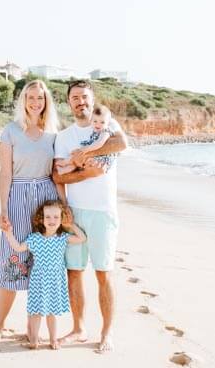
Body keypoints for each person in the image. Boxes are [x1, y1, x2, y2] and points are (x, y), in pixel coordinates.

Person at [52, 80, 128, 353]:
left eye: (85, 97)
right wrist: (65, 206)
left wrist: (86, 152)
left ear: (92, 100)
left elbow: (121, 144)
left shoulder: (109, 126)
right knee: (74, 272)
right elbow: (57, 175)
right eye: (75, 98)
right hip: (75, 210)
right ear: (69, 102)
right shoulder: (63, 137)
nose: (80, 102)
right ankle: (79, 328)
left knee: (104, 273)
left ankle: (106, 333)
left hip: (103, 211)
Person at [0, 79, 63, 343]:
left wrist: (64, 207)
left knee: (44, 264)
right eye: (30, 97)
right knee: (12, 258)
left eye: (40, 98)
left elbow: (58, 173)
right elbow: (5, 172)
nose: (35, 102)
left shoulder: (54, 133)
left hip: (46, 201)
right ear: (23, 100)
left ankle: (35, 330)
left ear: (46, 102)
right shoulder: (10, 131)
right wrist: (3, 208)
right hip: (18, 197)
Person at [3, 200, 86, 349]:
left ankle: (53, 339)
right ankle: (33, 340)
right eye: (48, 217)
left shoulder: (62, 238)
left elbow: (82, 238)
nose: (52, 220)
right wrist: (8, 233)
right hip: (38, 280)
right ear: (41, 219)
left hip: (55, 281)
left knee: (51, 312)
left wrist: (71, 224)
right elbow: (18, 247)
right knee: (36, 311)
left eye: (56, 217)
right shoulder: (35, 238)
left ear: (61, 219)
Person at [55, 104, 116, 174]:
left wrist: (85, 149)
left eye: (102, 122)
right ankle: (65, 169)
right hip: (95, 155)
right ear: (91, 121)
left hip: (101, 159)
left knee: (81, 155)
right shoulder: (95, 131)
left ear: (108, 123)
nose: (98, 124)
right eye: (95, 121)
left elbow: (99, 143)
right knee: (79, 156)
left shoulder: (106, 131)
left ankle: (67, 162)